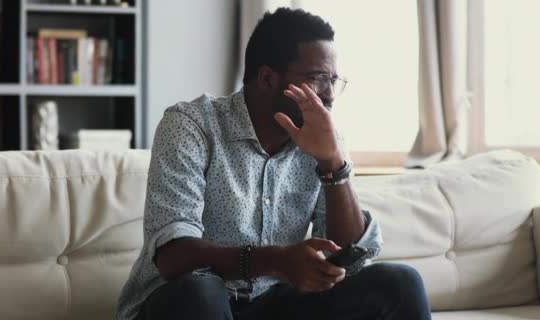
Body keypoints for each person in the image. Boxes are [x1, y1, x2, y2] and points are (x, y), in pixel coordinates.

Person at [117, 7, 431, 320]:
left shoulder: (323, 138)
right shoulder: (191, 125)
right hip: (183, 303)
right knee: (202, 291)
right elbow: (174, 257)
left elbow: (348, 256)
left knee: (400, 284)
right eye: (318, 78)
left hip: (273, 302)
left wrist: (333, 163)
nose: (330, 95)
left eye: (334, 80)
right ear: (268, 79)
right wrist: (277, 261)